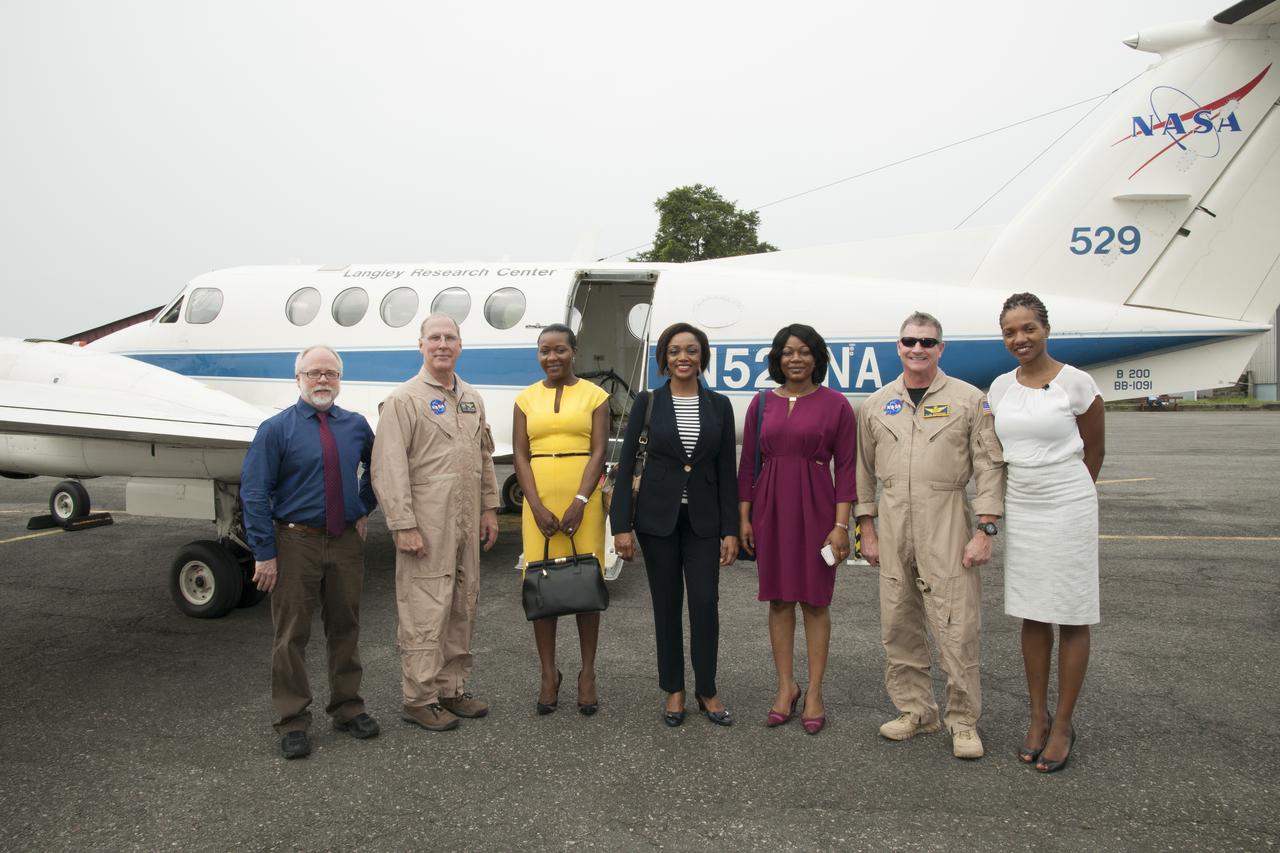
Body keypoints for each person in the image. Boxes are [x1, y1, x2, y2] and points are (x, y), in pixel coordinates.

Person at [855, 311, 1005, 760]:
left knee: (957, 626)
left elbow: (989, 465)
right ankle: (916, 712)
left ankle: (963, 722)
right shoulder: (877, 404)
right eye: (909, 341)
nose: (917, 348)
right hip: (894, 517)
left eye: (927, 341)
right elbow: (862, 471)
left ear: (941, 348)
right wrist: (867, 529)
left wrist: (985, 529)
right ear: (898, 347)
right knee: (898, 622)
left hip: (948, 518)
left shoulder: (968, 399)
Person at [240, 344, 379, 759]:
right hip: (294, 541)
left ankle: (347, 707)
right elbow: (254, 492)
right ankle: (293, 719)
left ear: (340, 379)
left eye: (330, 373)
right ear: (298, 378)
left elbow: (379, 467)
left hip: (343, 542)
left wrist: (362, 504)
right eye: (314, 373)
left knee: (345, 626)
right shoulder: (275, 429)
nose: (323, 380)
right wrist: (264, 552)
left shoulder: (355, 425)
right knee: (291, 634)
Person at [989, 292, 1104, 773]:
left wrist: (1072, 496)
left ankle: (1064, 725)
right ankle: (1037, 717)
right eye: (1011, 331)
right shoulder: (998, 388)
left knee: (1072, 613)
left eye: (1029, 328)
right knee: (1033, 613)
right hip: (1024, 503)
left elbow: (1094, 451)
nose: (1021, 338)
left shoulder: (1076, 383)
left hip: (1068, 500)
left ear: (1046, 330)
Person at [371, 313, 500, 733]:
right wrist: (402, 524)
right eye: (434, 338)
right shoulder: (404, 400)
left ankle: (451, 688)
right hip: (427, 525)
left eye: (450, 337)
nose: (442, 344)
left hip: (465, 522)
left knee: (463, 603)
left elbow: (483, 457)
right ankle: (419, 697)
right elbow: (388, 467)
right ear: (421, 345)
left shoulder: (471, 397)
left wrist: (488, 509)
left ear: (460, 345)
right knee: (425, 607)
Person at [611, 323, 740, 727]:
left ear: (703, 357)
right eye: (674, 350)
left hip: (704, 522)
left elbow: (726, 472)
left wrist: (731, 529)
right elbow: (627, 462)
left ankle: (707, 689)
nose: (683, 357)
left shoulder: (719, 405)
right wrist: (620, 526)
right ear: (664, 358)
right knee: (666, 606)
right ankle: (674, 689)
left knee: (705, 604)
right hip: (656, 521)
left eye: (692, 350)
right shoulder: (648, 402)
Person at [738, 323, 856, 735]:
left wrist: (842, 526)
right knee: (779, 600)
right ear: (777, 358)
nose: (796, 358)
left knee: (815, 602)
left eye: (805, 351)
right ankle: (785, 686)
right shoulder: (761, 403)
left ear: (817, 358)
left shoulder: (836, 404)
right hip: (770, 506)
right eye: (788, 351)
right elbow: (747, 465)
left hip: (818, 507)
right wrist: (744, 517)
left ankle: (816, 692)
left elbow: (847, 469)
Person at [512, 324, 610, 716]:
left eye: (560, 350)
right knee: (542, 586)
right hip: (538, 498)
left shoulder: (596, 396)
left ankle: (588, 674)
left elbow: (599, 450)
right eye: (544, 351)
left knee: (585, 583)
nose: (552, 357)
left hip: (582, 497)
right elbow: (520, 454)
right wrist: (534, 505)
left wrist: (582, 500)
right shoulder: (524, 399)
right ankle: (549, 674)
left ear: (574, 352)